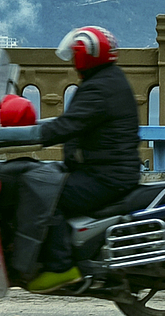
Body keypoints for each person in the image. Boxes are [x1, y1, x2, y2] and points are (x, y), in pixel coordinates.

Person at [28, 25, 142, 292]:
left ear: (85, 57)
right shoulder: (107, 80)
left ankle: (60, 267)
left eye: (75, 55)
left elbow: (67, 126)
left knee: (45, 196)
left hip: (106, 176)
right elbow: (75, 126)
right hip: (105, 170)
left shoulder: (98, 88)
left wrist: (29, 134)